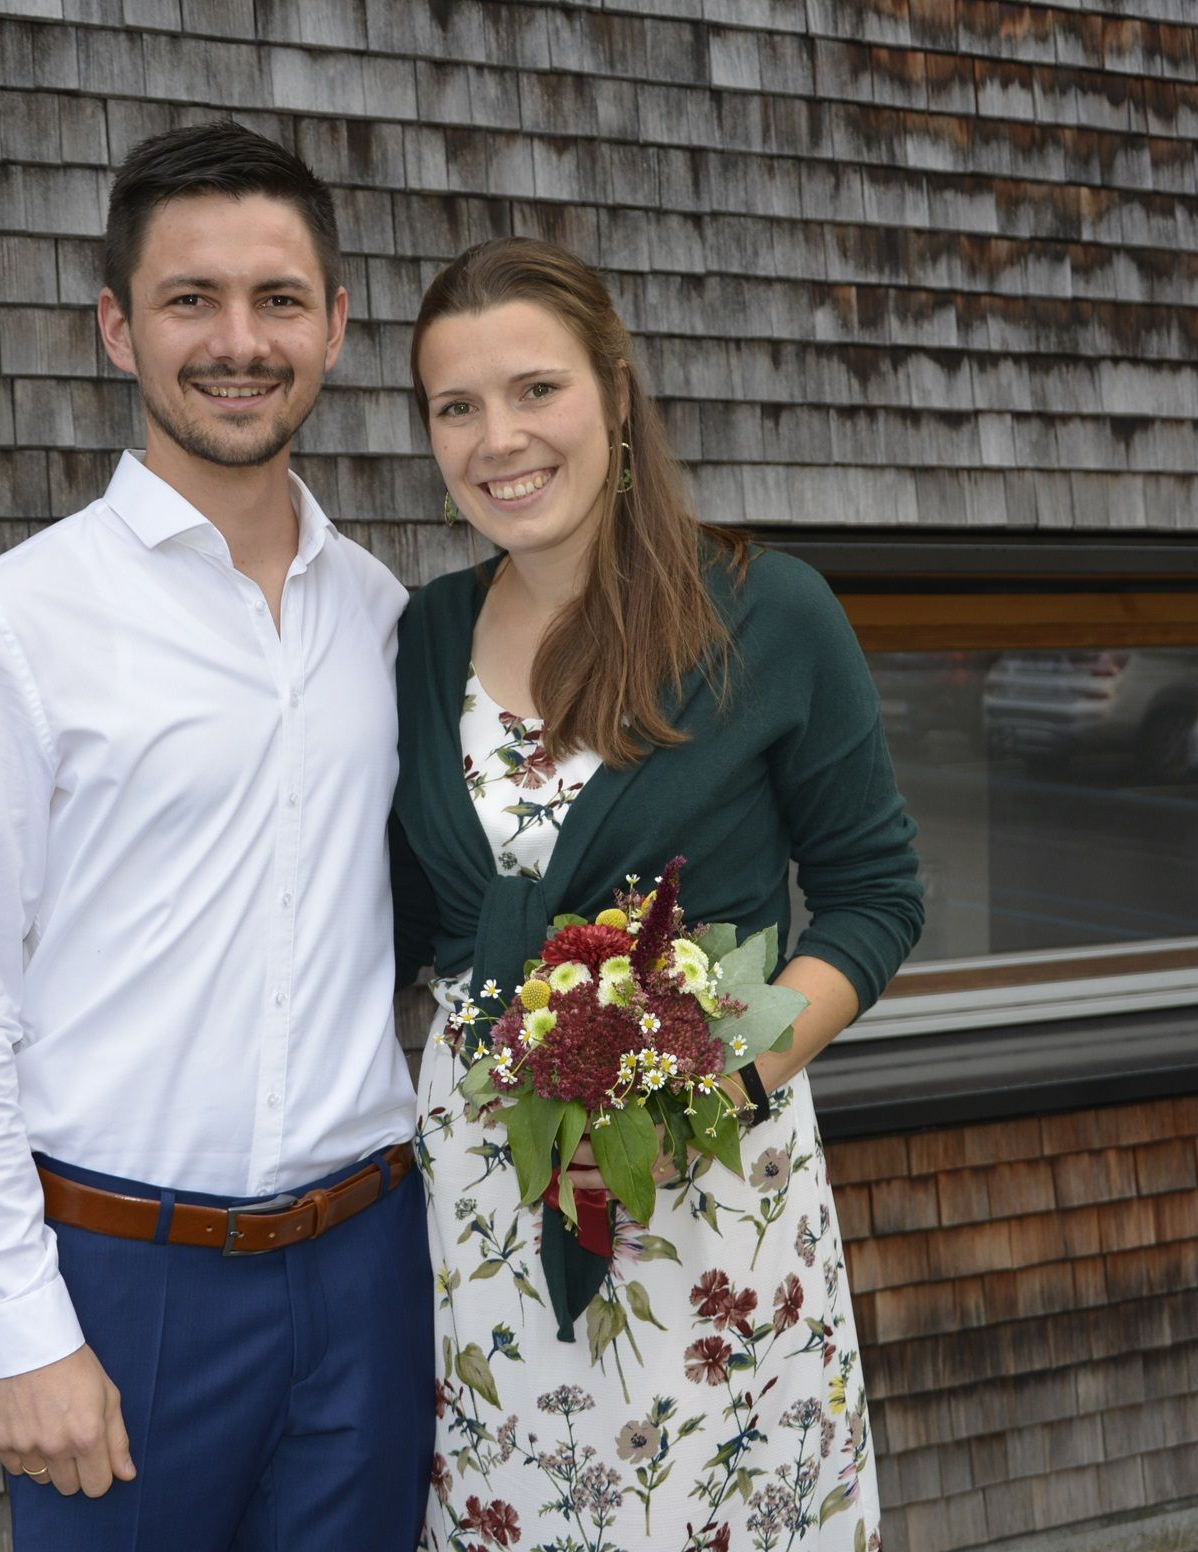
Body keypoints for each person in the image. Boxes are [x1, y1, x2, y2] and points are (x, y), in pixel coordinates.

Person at [0, 121, 432, 1552]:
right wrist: (20, 1325)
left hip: (373, 1270)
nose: (239, 342)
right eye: (193, 299)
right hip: (128, 1285)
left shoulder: (385, 617)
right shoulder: (8, 620)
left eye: (277, 299)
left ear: (335, 326)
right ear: (118, 328)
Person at [392, 237, 925, 1552]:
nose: (497, 440)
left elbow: (873, 897)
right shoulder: (420, 639)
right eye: (456, 407)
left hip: (705, 1203)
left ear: (615, 392)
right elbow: (396, 925)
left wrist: (716, 1088)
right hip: (483, 1206)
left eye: (535, 389)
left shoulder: (768, 614)